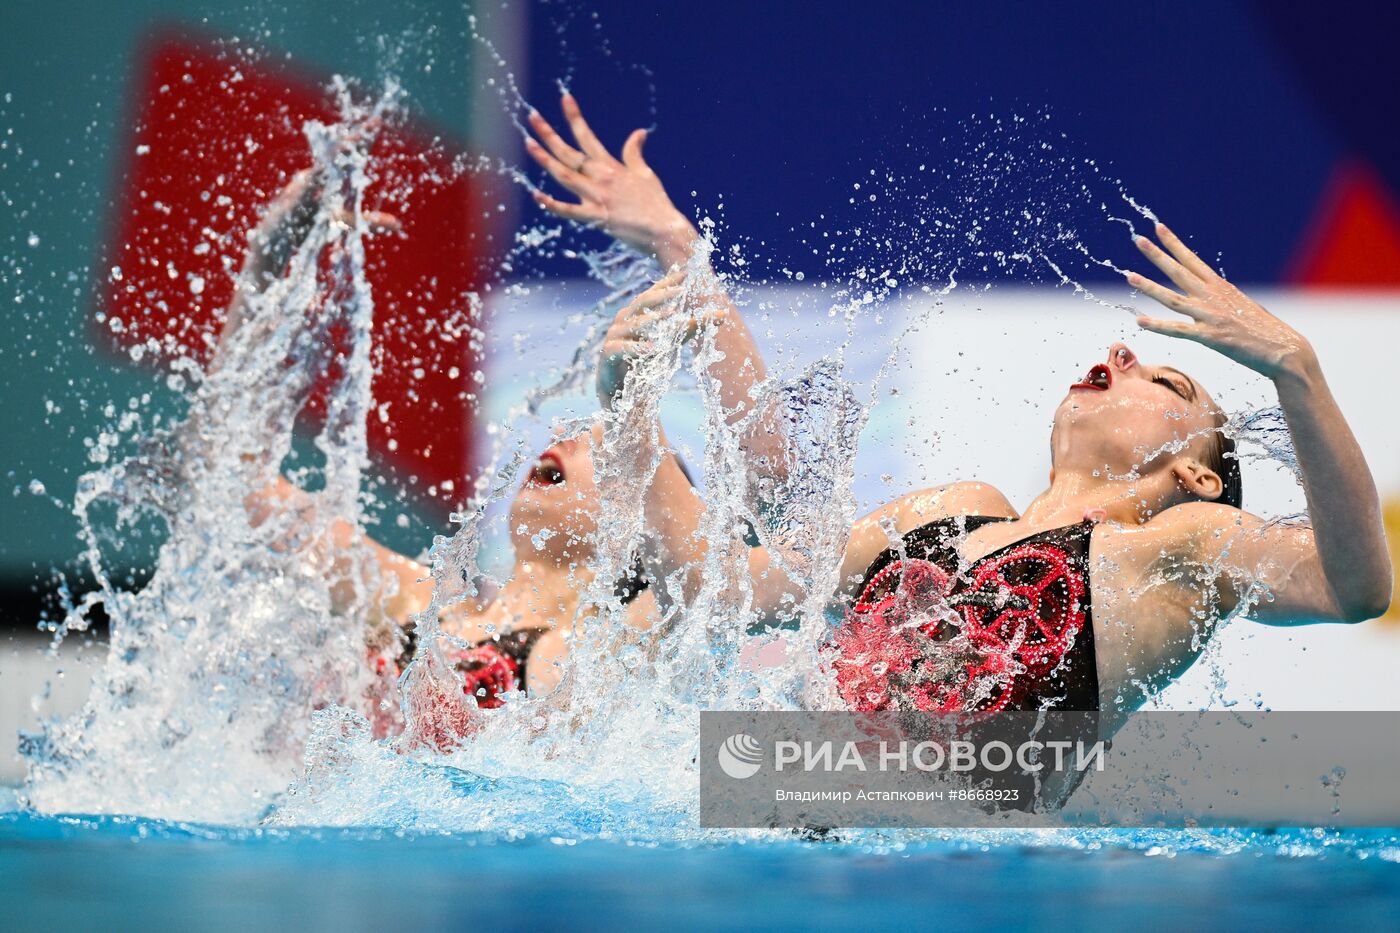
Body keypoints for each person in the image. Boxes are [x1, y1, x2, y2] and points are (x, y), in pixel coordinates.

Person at [529, 97, 1393, 731]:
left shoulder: (1178, 550)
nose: (1124, 356)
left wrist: (1296, 369)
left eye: (1169, 385)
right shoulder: (946, 512)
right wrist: (631, 403)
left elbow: (1351, 587)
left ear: (1195, 476)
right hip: (796, 836)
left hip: (948, 872)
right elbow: (715, 586)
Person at [214, 121, 774, 727]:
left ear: (646, 523)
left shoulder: (627, 641)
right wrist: (269, 268)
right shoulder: (411, 603)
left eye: (605, 448)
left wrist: (677, 243)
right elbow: (230, 481)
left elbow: (763, 495)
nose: (567, 440)